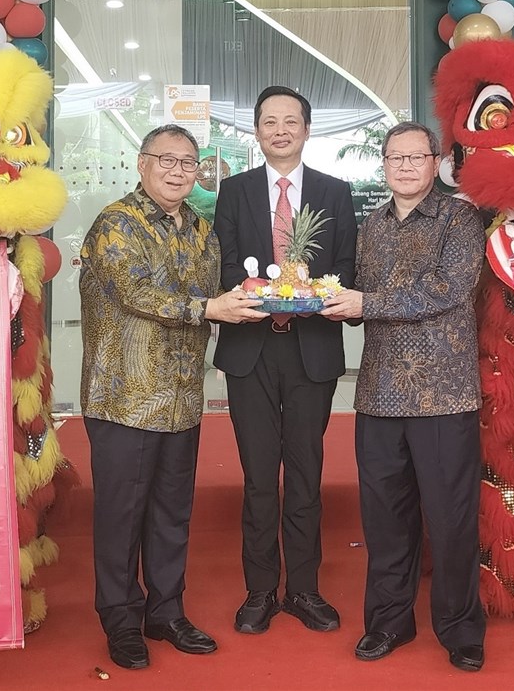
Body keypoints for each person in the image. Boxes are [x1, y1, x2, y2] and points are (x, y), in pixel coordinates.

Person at [79, 124, 265, 670]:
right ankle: (120, 619)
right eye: (167, 160)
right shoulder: (117, 223)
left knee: (170, 514)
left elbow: (216, 292)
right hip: (126, 398)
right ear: (142, 163)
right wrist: (210, 309)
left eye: (188, 163)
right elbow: (136, 290)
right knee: (121, 515)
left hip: (182, 399)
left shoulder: (201, 231)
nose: (178, 171)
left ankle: (165, 611)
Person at [321, 121, 487, 671]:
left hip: (444, 395)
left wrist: (364, 303)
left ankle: (461, 629)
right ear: (384, 164)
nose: (406, 167)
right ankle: (389, 622)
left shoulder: (461, 219)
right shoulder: (369, 227)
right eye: (396, 157)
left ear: (435, 161)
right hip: (378, 395)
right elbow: (349, 295)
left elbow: (448, 288)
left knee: (451, 518)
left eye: (417, 157)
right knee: (385, 520)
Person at [213, 86, 357, 634]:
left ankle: (304, 589)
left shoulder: (335, 191)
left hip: (311, 352)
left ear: (306, 129)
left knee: (305, 473)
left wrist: (315, 296)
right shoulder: (234, 191)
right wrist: (252, 297)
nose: (280, 130)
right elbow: (224, 263)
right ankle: (258, 592)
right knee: (256, 478)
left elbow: (343, 264)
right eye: (269, 121)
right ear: (256, 131)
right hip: (250, 351)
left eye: (290, 121)